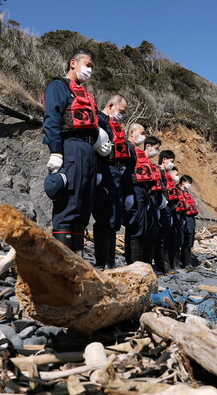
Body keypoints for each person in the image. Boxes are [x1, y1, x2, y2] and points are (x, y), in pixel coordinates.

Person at [42, 48, 111, 252]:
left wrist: (100, 143)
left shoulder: (87, 95)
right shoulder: (58, 87)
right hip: (71, 146)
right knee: (68, 205)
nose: (90, 70)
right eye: (87, 65)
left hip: (89, 151)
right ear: (73, 63)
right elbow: (51, 120)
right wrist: (56, 151)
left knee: (83, 209)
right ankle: (62, 268)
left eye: (91, 67)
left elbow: (97, 123)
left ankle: (77, 266)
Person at [92, 94, 134, 269]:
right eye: (121, 111)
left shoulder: (116, 126)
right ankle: (102, 262)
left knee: (114, 219)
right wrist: (98, 171)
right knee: (104, 216)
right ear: (111, 105)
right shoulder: (100, 121)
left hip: (117, 173)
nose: (121, 115)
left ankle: (111, 261)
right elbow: (95, 147)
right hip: (105, 170)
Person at [123, 124, 159, 264]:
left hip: (144, 192)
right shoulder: (129, 149)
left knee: (143, 228)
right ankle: (133, 264)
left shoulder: (140, 154)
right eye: (142, 132)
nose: (144, 135)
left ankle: (141, 264)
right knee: (135, 226)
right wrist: (127, 193)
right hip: (134, 189)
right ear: (132, 132)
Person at [180, 174, 199, 267]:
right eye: (188, 183)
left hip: (191, 218)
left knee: (189, 239)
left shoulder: (187, 193)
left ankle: (187, 261)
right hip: (185, 219)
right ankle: (186, 262)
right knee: (185, 239)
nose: (189, 185)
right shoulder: (180, 192)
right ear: (183, 182)